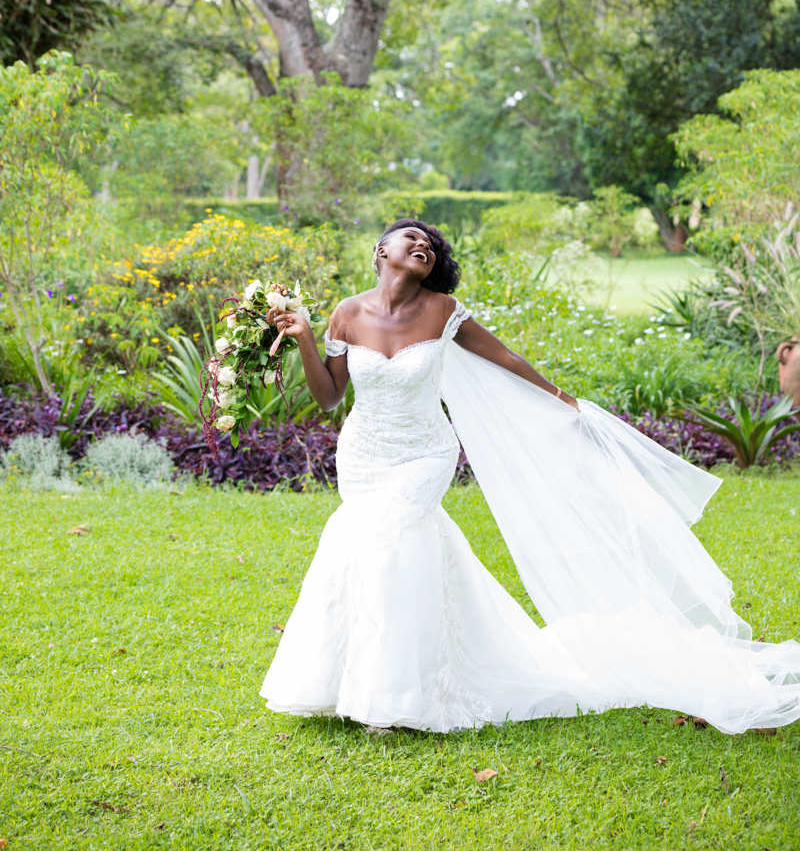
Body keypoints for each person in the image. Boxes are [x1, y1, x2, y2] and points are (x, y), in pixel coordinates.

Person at [261, 219, 800, 734]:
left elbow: (507, 360)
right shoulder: (345, 314)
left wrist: (566, 403)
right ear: (381, 252)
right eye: (410, 237)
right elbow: (330, 396)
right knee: (369, 547)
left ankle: (392, 698)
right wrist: (305, 336)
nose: (423, 244)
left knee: (395, 538)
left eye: (430, 244)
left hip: (425, 453)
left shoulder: (443, 310)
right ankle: (346, 681)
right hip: (364, 454)